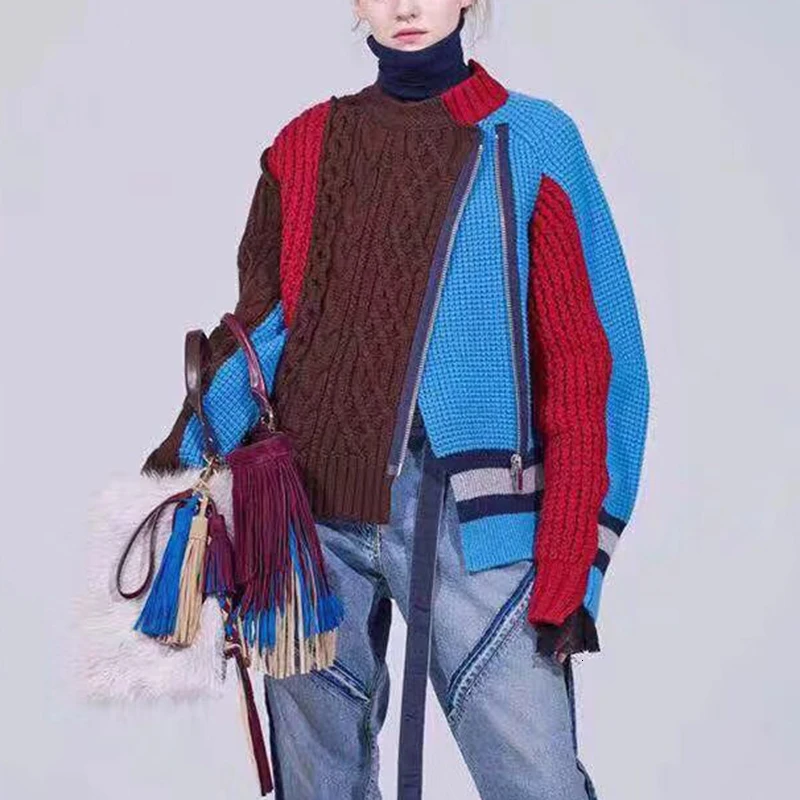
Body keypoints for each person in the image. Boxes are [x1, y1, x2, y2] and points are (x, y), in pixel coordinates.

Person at [141, 1, 650, 797]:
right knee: (318, 785)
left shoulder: (532, 140)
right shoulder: (302, 145)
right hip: (306, 520)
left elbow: (590, 365)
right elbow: (266, 328)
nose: (405, 7)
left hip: (474, 520)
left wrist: (571, 563)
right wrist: (177, 470)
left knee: (538, 782)